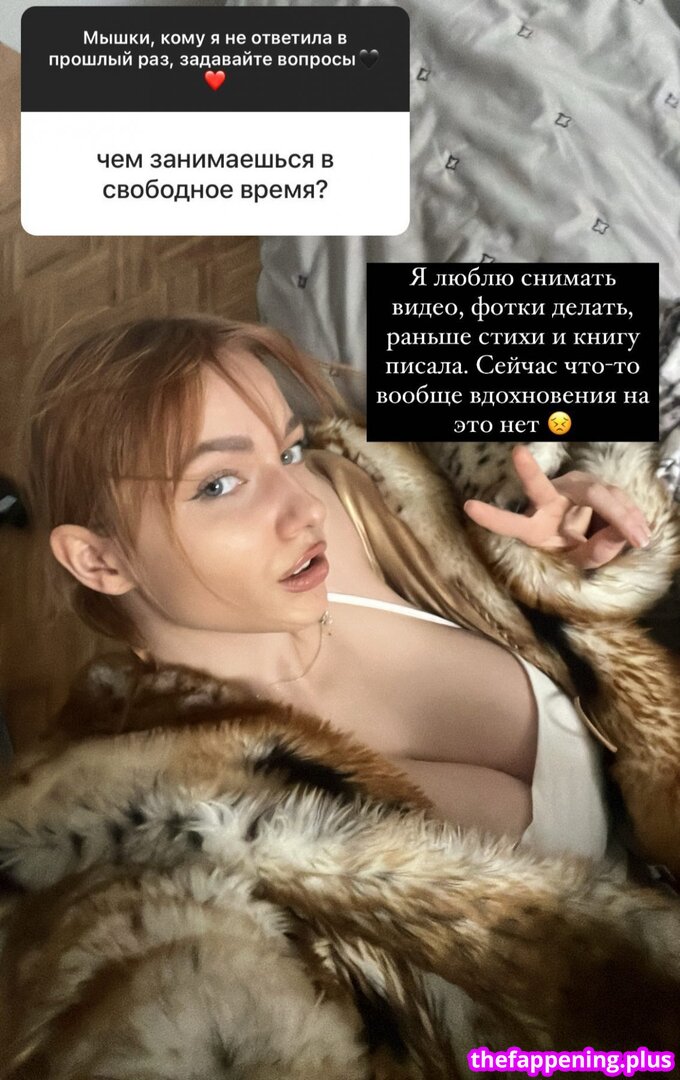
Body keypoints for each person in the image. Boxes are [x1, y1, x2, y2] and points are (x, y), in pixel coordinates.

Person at [22, 314, 663, 865]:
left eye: (287, 451)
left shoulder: (351, 490)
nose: (304, 509)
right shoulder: (212, 821)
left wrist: (558, 525)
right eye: (218, 484)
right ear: (99, 561)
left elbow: (559, 367)